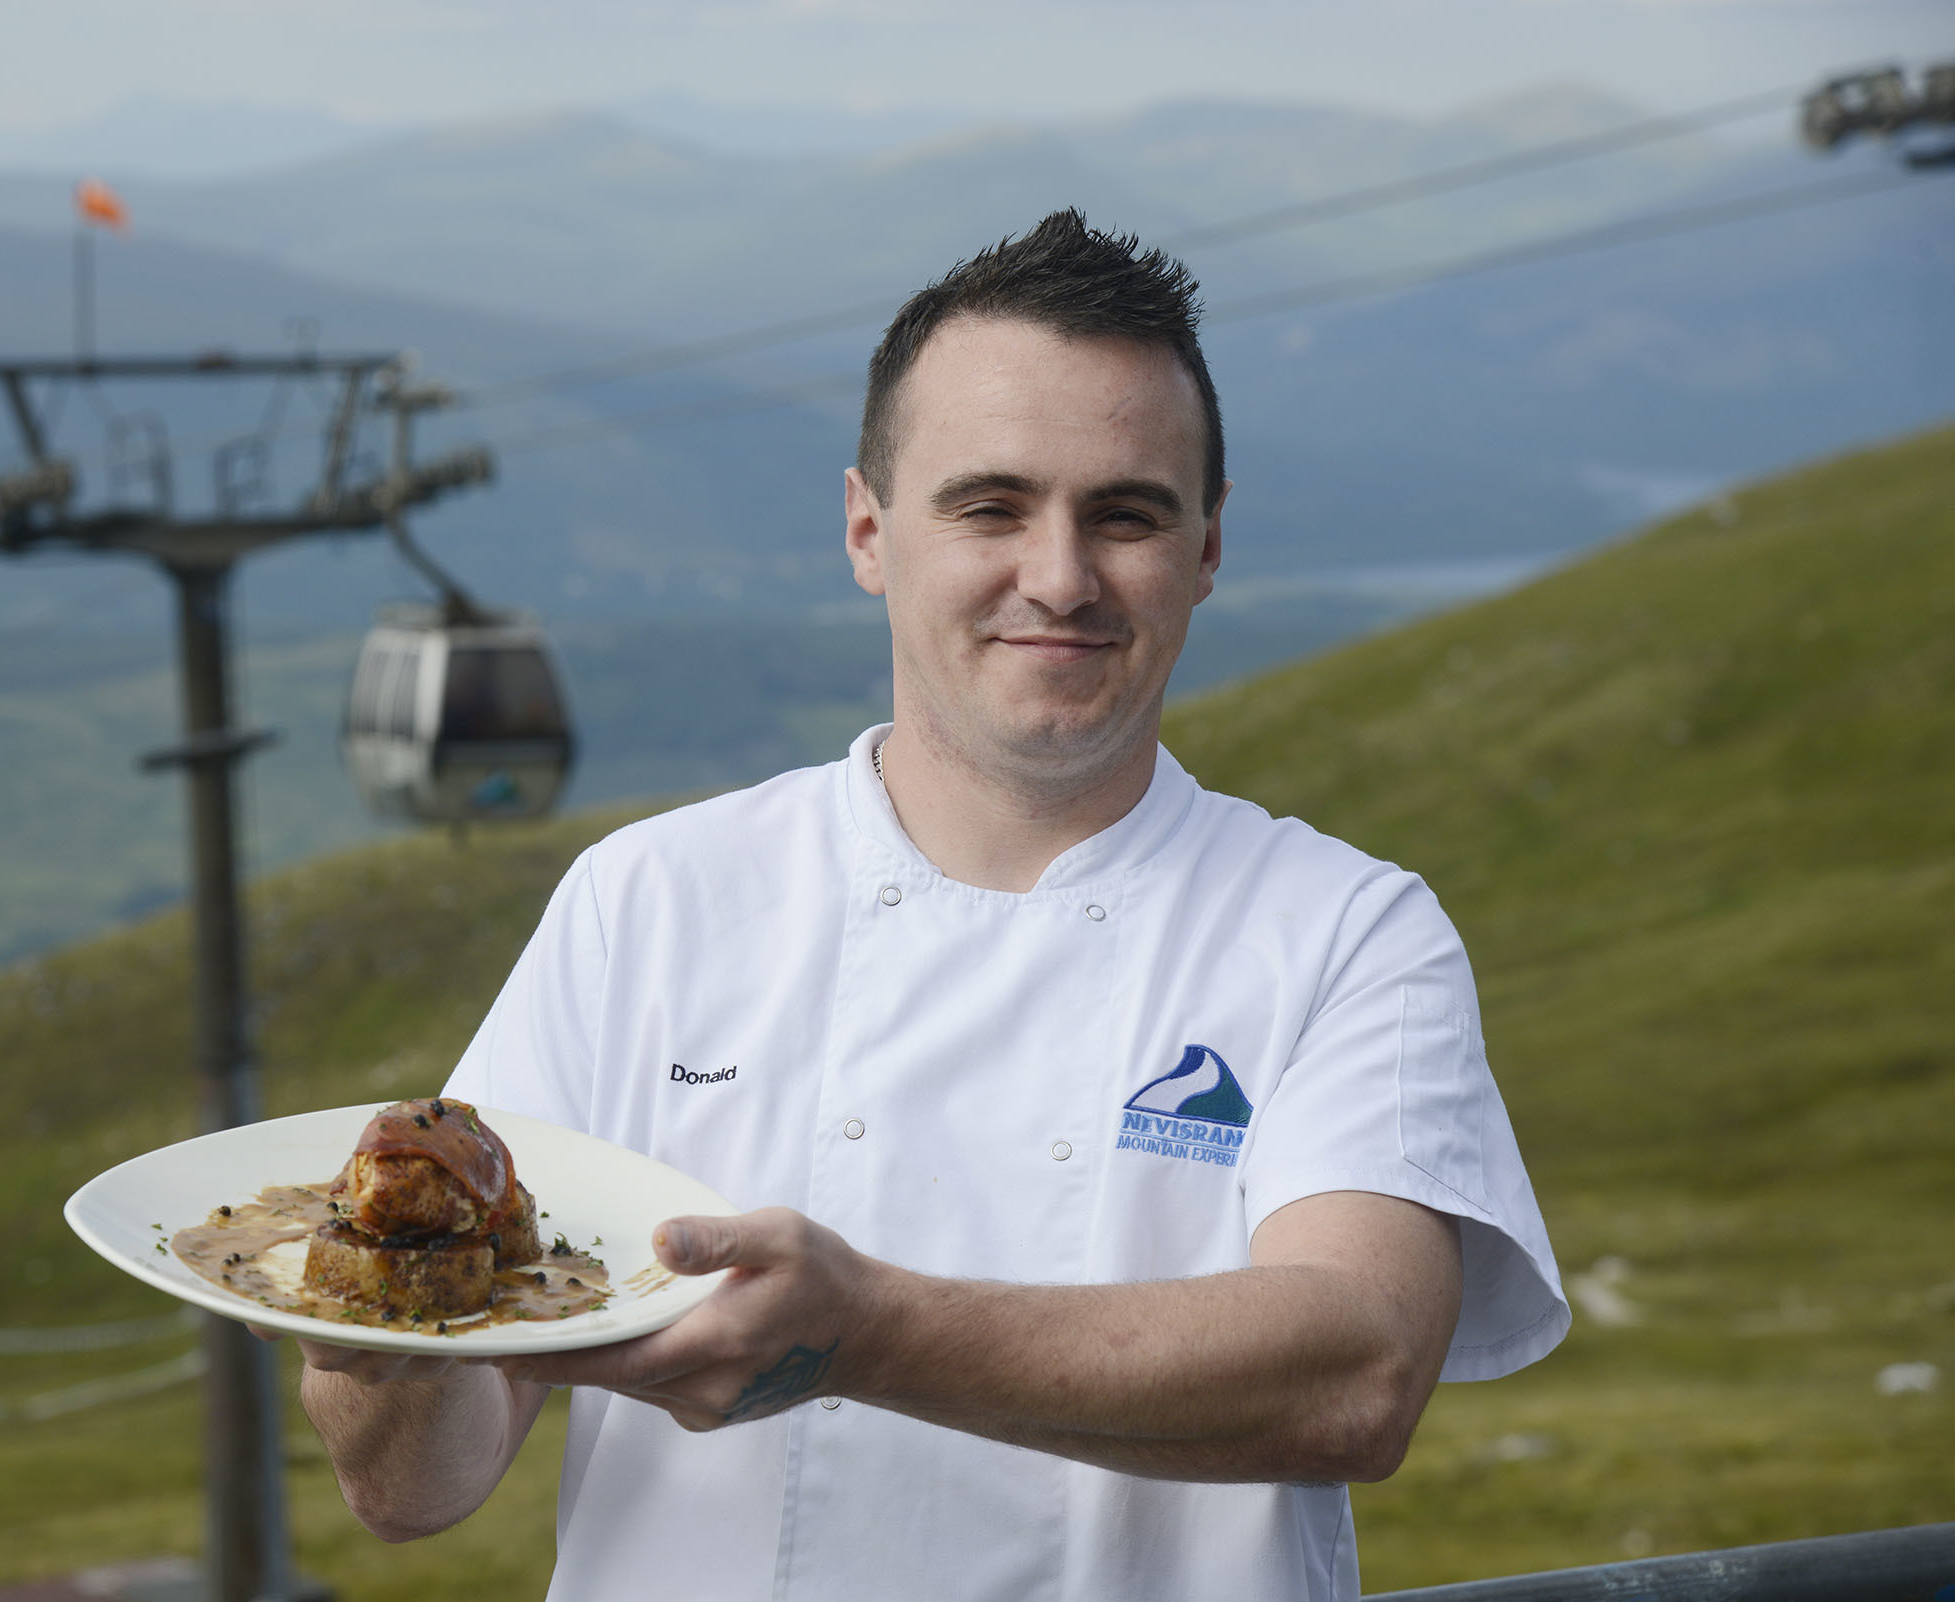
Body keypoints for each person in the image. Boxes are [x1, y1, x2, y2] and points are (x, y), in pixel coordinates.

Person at [290, 209, 1568, 1601]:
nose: (1062, 575)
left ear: (1207, 548)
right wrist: (375, 1343)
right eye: (991, 506)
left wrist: (865, 1332)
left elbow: (1358, 1369)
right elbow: (419, 1486)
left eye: (1126, 513)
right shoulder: (650, 900)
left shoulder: (1346, 930)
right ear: (868, 532)